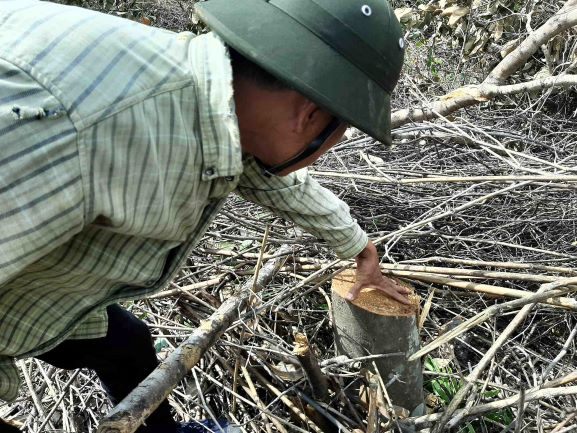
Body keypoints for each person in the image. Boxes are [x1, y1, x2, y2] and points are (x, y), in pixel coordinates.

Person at [0, 0, 406, 431]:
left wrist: (359, 247)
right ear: (310, 116)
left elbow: (262, 172)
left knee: (127, 344)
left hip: (27, 288)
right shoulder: (74, 129)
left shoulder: (197, 90)